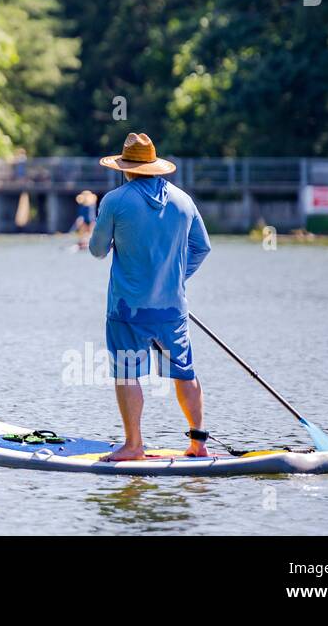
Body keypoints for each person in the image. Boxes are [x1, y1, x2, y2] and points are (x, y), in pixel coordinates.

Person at [88, 132, 211, 461]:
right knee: (184, 371)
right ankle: (198, 443)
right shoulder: (184, 201)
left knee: (127, 372)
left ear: (125, 168)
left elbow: (98, 251)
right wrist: (174, 279)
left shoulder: (115, 200)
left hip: (127, 308)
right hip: (173, 307)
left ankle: (133, 445)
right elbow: (202, 247)